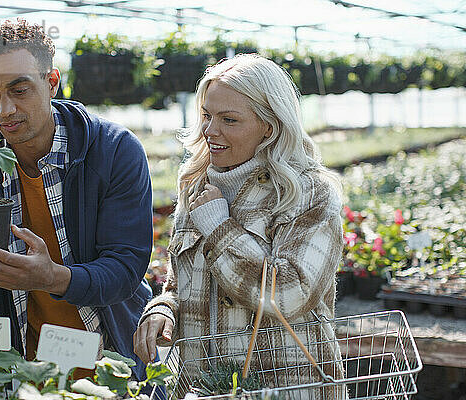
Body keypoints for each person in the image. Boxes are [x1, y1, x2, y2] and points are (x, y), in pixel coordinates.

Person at [0, 19, 153, 381]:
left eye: (19, 89)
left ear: (52, 82)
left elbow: (125, 269)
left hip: (112, 366)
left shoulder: (113, 151)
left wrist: (53, 278)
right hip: (27, 374)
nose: (4, 109)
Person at [134, 54, 346, 398]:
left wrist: (220, 228)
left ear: (270, 124)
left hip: (287, 387)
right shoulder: (195, 183)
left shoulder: (307, 192)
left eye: (229, 119)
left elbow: (289, 294)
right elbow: (179, 284)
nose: (210, 131)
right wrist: (164, 310)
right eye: (207, 115)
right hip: (204, 387)